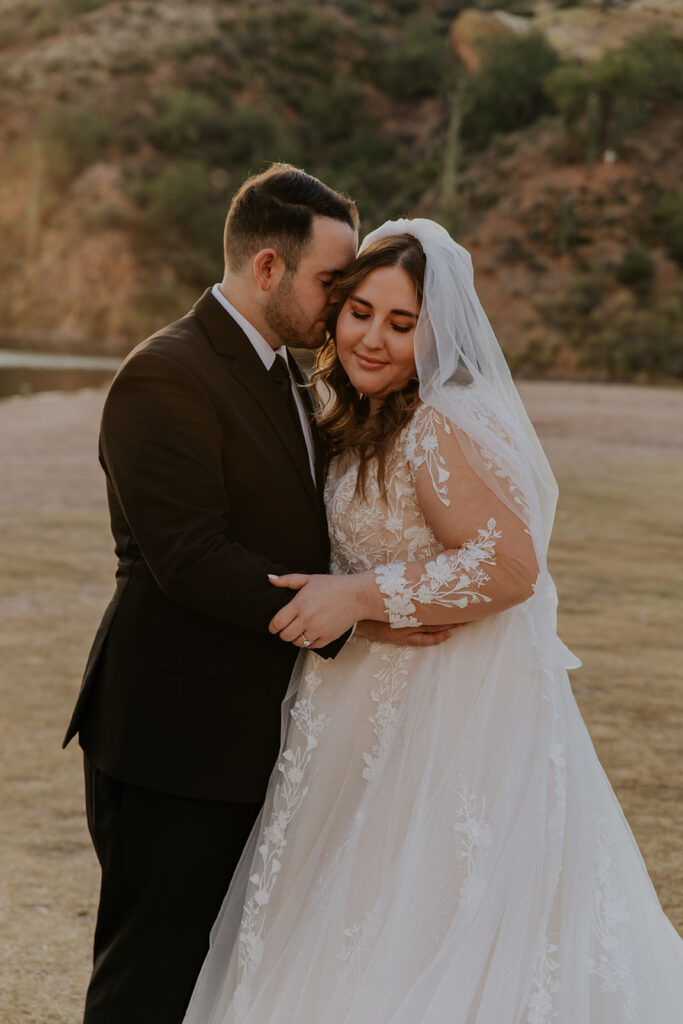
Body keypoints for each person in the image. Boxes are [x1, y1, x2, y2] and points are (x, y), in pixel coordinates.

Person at [183, 219, 683, 1024]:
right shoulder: (355, 417)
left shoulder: (436, 424)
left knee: (422, 912)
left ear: (437, 333)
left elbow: (508, 564)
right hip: (358, 703)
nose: (371, 339)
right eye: (358, 312)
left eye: (401, 323)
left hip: (443, 712)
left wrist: (360, 597)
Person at [62, 167, 453, 1024]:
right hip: (173, 736)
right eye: (330, 283)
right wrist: (351, 616)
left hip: (252, 732)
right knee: (149, 975)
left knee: (219, 973)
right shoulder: (165, 374)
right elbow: (192, 558)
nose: (340, 302)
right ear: (269, 269)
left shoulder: (287, 370)